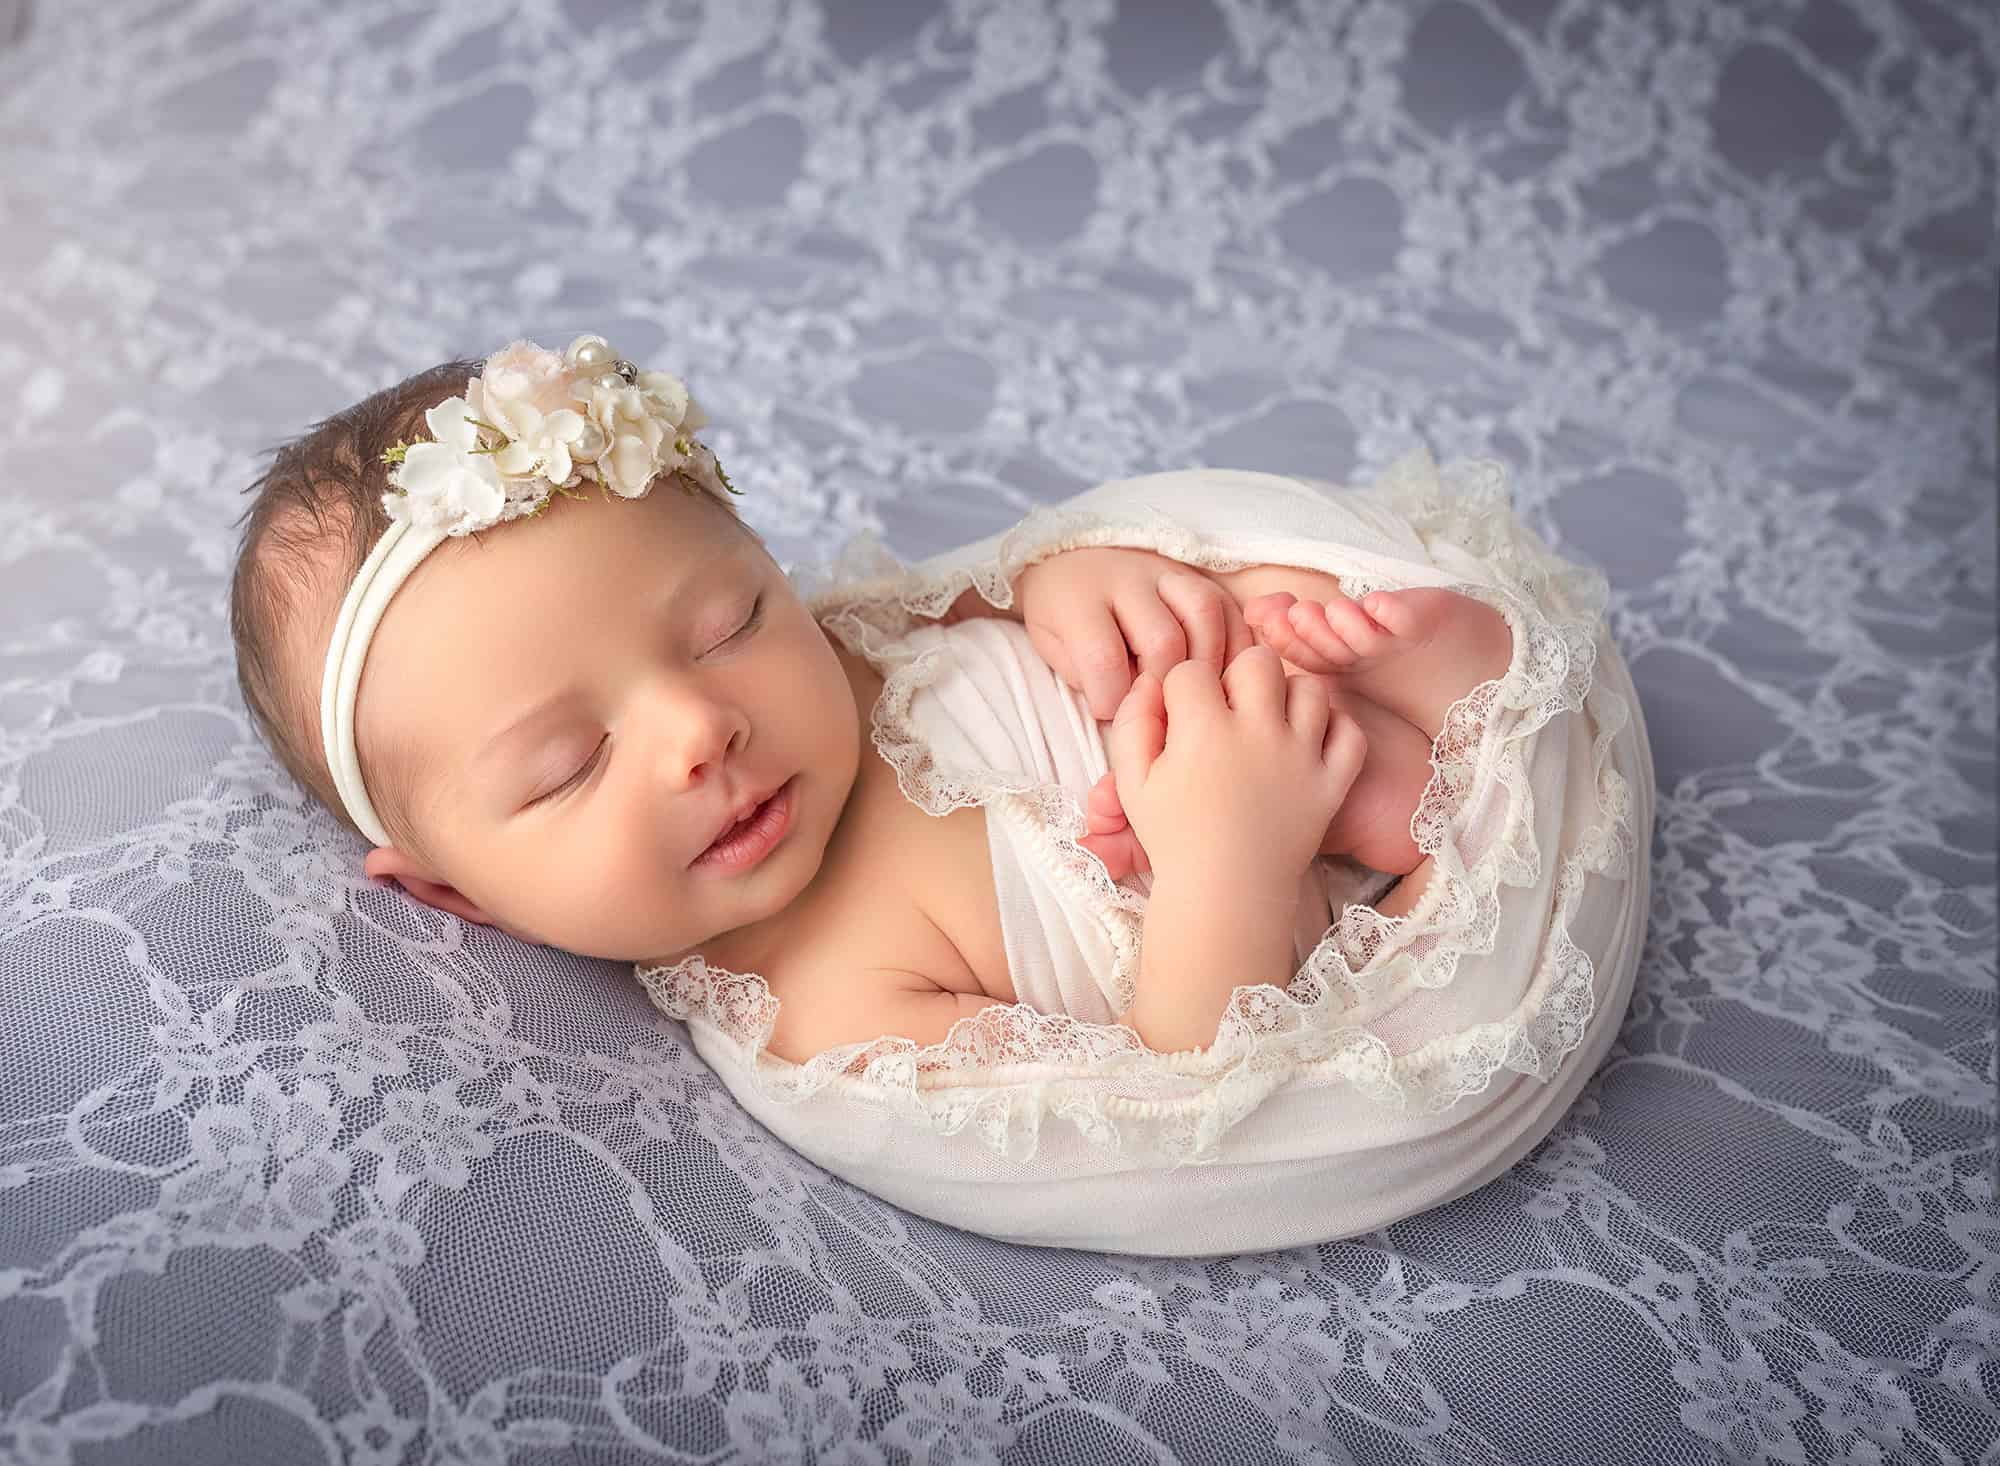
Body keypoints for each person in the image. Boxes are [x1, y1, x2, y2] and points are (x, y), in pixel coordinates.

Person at [230, 333, 1513, 1063]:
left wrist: (1069, 585)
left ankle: (1433, 695)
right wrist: (1231, 854)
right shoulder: (823, 1006)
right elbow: (1174, 1098)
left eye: (730, 623)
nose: (697, 729)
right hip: (1250, 904)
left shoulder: (846, 652)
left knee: (1233, 598)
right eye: (568, 762)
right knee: (1362, 857)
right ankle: (1412, 788)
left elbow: (977, 592)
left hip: (1222, 719)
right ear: (456, 892)